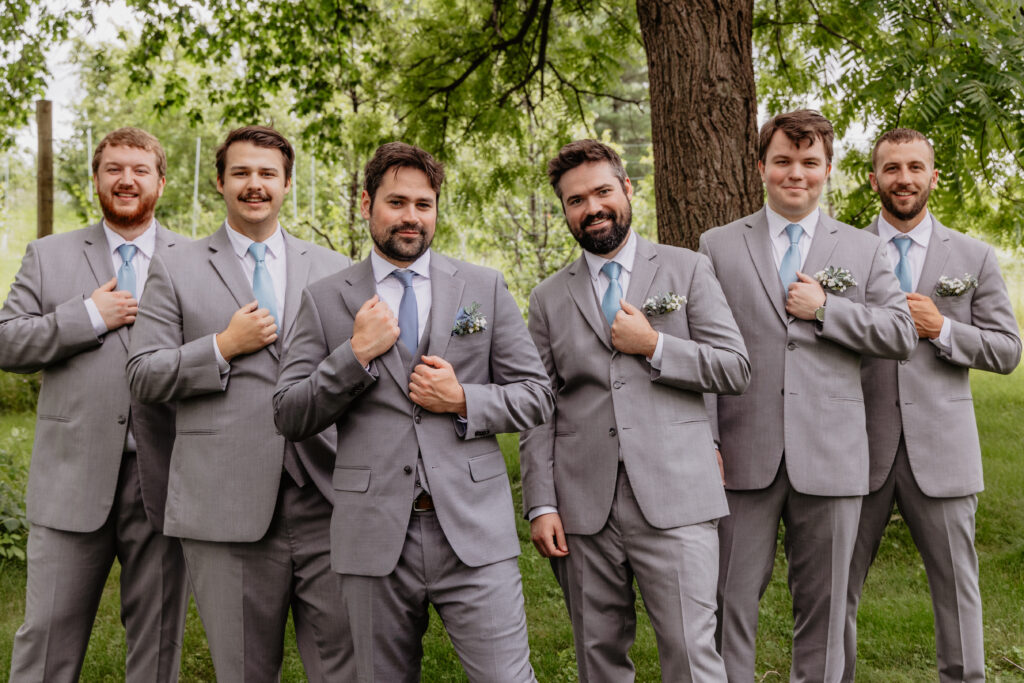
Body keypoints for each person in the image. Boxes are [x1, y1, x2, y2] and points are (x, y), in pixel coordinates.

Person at [273, 142, 553, 682]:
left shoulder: (483, 287)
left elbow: (536, 394)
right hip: (372, 535)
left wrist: (465, 399)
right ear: (365, 204)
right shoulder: (324, 299)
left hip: (473, 531)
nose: (411, 217)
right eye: (396, 202)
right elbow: (289, 414)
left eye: (424, 205)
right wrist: (353, 356)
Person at [127, 125, 353, 682]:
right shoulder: (175, 266)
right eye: (242, 173)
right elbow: (142, 373)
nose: (256, 185)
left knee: (346, 666)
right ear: (221, 183)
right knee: (245, 670)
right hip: (225, 503)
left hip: (327, 496)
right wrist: (223, 347)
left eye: (268, 174)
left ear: (287, 184)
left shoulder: (333, 267)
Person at [698, 109, 917, 682]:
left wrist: (827, 310)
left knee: (823, 612)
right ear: (762, 166)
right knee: (728, 605)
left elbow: (900, 334)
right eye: (783, 161)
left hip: (833, 455)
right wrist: (709, 439)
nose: (797, 173)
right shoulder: (717, 246)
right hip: (741, 455)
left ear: (828, 170)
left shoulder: (865, 250)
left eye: (810, 162)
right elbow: (701, 352)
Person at [519, 139, 750, 682]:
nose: (592, 207)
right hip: (582, 508)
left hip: (677, 495)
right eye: (576, 200)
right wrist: (541, 503)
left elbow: (734, 368)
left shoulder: (687, 270)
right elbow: (539, 408)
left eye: (602, 191)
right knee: (598, 656)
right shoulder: (548, 298)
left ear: (627, 189)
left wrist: (655, 346)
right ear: (566, 212)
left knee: (692, 655)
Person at [1, 127, 188, 682]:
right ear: (97, 178)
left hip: (163, 477)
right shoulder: (48, 255)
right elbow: (8, 341)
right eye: (113, 169)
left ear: (161, 180)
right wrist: (86, 316)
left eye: (139, 169)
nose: (126, 180)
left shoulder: (197, 259)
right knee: (47, 639)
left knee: (157, 645)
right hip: (70, 475)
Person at [844, 128, 1021, 682]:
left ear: (933, 177)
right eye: (892, 168)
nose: (904, 179)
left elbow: (1008, 350)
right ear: (873, 179)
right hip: (854, 448)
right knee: (832, 591)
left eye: (915, 167)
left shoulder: (972, 255)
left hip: (942, 451)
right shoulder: (841, 252)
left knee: (957, 591)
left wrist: (943, 328)